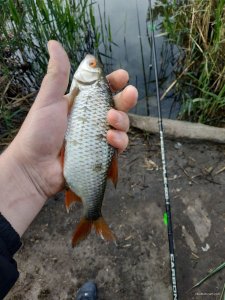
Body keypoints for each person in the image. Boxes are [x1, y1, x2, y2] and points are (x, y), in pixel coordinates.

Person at [0, 40, 138, 299]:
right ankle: (92, 215)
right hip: (73, 163)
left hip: (78, 163)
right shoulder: (85, 90)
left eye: (92, 64)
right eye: (92, 64)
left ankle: (91, 213)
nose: (89, 61)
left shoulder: (89, 90)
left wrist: (24, 170)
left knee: (110, 140)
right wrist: (26, 168)